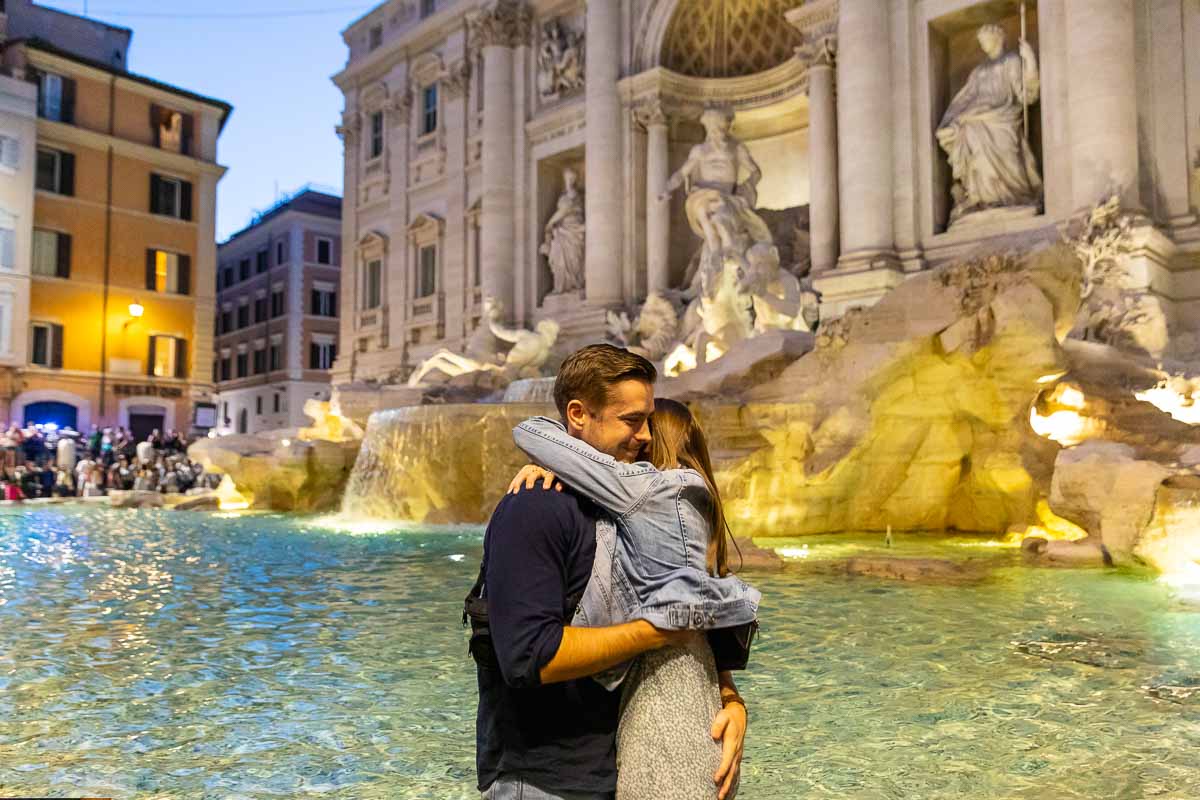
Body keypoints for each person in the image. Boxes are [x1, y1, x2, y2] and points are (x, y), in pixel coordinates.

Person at [474, 344, 749, 800]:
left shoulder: (627, 513)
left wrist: (731, 700)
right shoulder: (536, 508)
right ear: (578, 414)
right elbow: (527, 656)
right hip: (545, 780)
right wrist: (656, 631)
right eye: (631, 420)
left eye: (648, 424)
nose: (643, 436)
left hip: (618, 768)